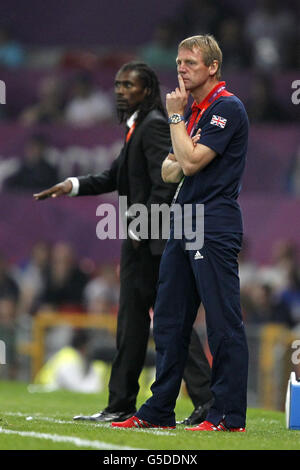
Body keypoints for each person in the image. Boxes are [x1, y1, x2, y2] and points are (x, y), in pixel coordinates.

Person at [34, 61, 213, 424]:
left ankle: (204, 401)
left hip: (152, 244)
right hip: (140, 244)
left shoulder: (155, 126)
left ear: (146, 91)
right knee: (135, 324)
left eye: (128, 85)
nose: (119, 91)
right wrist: (72, 185)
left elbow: (166, 183)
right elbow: (114, 176)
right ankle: (123, 403)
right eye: (117, 85)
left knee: (166, 322)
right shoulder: (136, 128)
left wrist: (138, 231)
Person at [111, 35, 249, 432]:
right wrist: (183, 142)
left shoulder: (226, 108)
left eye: (189, 62)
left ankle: (227, 415)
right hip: (183, 221)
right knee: (169, 320)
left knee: (223, 320)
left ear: (212, 67)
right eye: (178, 62)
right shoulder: (195, 112)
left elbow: (186, 164)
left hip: (213, 221)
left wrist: (176, 122)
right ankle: (158, 410)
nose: (181, 69)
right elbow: (168, 170)